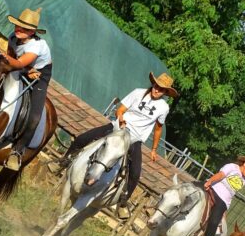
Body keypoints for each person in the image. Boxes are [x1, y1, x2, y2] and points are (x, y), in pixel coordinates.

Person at [60, 72, 179, 218]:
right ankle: (64, 160)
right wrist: (121, 119)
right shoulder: (138, 93)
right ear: (153, 84)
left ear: (166, 92)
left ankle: (123, 201)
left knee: (135, 173)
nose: (157, 90)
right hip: (117, 128)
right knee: (82, 138)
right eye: (156, 86)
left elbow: (158, 128)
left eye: (161, 89)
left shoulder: (163, 107)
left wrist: (154, 149)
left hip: (134, 139)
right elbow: (120, 110)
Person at [1, 8, 53, 171]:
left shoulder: (36, 45)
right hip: (21, 68)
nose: (18, 29)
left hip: (39, 76)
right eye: (17, 26)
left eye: (24, 28)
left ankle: (17, 151)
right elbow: (12, 58)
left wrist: (3, 58)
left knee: (35, 117)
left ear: (32, 32)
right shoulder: (12, 38)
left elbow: (18, 62)